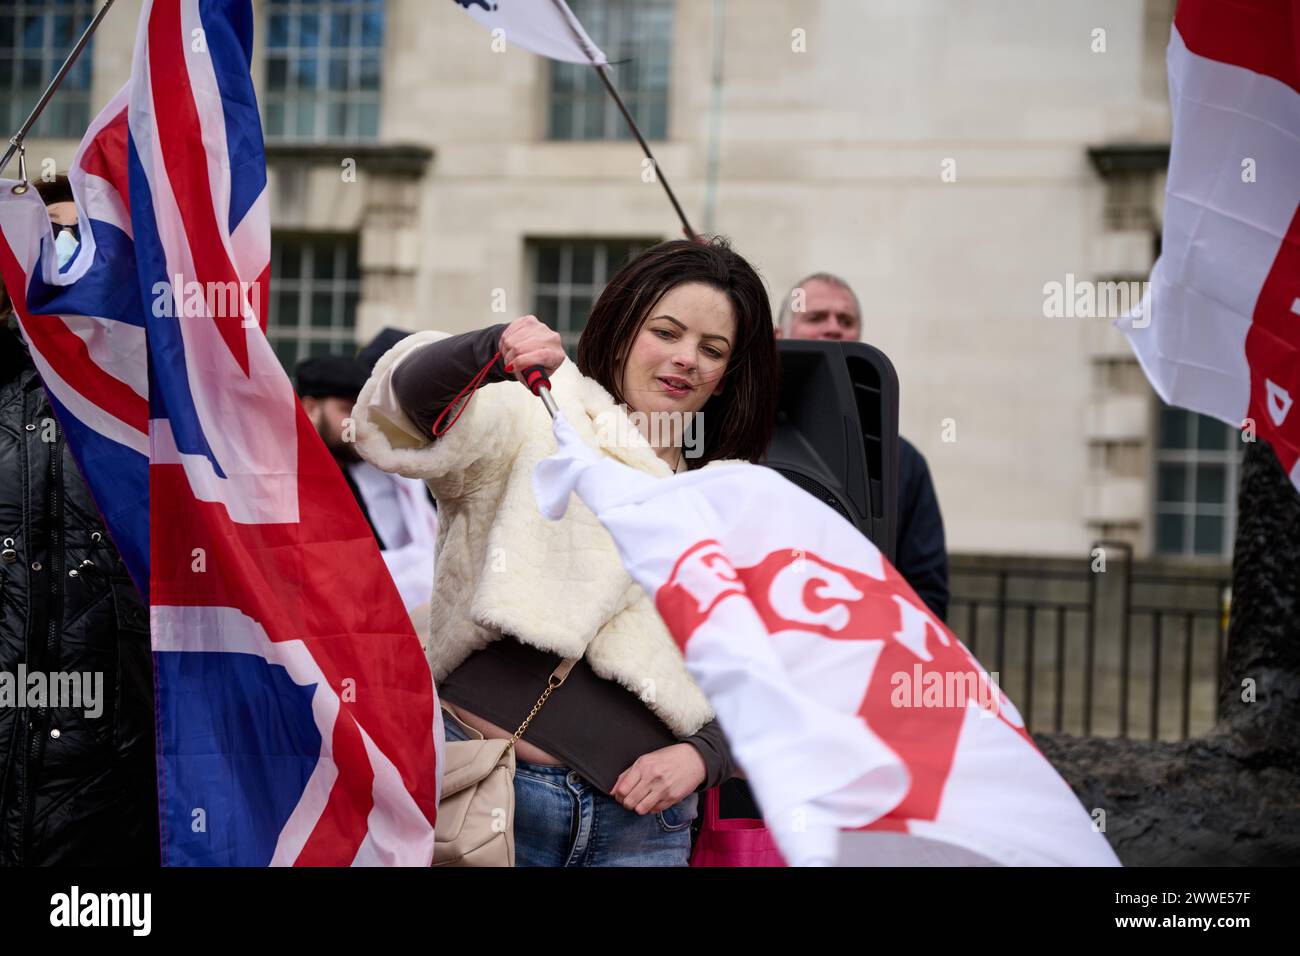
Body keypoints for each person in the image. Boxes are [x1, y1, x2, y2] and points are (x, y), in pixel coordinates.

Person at [350, 237, 778, 866]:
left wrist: (702, 757)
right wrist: (492, 347)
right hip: (486, 800)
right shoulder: (540, 415)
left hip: (644, 831)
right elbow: (407, 406)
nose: (686, 358)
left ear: (726, 377)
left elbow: (773, 680)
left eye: (712, 350)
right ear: (624, 328)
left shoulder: (731, 501)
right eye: (666, 332)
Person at [0, 177, 158, 865]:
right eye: (45, 238)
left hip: (110, 780)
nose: (62, 258)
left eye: (76, 239)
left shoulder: (153, 408)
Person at [777, 272, 950, 621]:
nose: (833, 327)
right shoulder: (732, 438)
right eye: (815, 317)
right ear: (779, 335)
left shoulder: (903, 462)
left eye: (845, 320)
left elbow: (926, 591)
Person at [294, 353, 438, 614]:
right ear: (310, 408)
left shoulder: (371, 473)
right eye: (348, 409)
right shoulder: (287, 482)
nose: (360, 423)